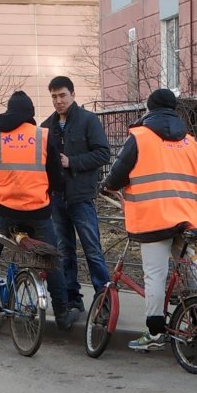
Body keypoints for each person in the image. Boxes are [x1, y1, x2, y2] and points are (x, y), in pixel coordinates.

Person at [100, 88, 197, 351]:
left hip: (153, 220)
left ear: (149, 108)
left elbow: (117, 174)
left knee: (155, 275)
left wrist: (107, 185)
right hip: (185, 217)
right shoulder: (190, 142)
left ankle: (155, 334)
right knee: (190, 269)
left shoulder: (141, 137)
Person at [0, 91, 80, 330]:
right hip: (38, 212)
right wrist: (45, 193)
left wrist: (6, 186)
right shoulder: (43, 136)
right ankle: (62, 314)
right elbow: (56, 177)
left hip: (5, 210)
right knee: (50, 258)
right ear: (30, 114)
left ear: (9, 111)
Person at [41, 76, 111, 314]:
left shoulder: (88, 120)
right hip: (57, 198)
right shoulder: (46, 126)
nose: (58, 101)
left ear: (72, 94)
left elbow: (103, 154)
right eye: (54, 97)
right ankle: (72, 298)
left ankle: (103, 301)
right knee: (64, 250)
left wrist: (72, 162)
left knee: (92, 249)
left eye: (62, 95)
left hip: (81, 196)